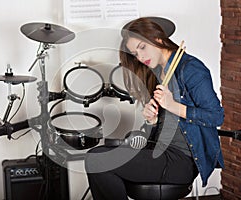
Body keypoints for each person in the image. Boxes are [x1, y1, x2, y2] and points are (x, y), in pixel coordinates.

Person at [84, 16, 224, 200]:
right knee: (99, 154)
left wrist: (172, 106)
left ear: (158, 39)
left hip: (181, 161)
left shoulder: (191, 69)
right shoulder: (158, 72)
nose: (140, 57)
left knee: (98, 160)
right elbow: (165, 128)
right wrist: (153, 120)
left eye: (142, 47)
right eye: (135, 53)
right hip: (159, 151)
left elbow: (216, 116)